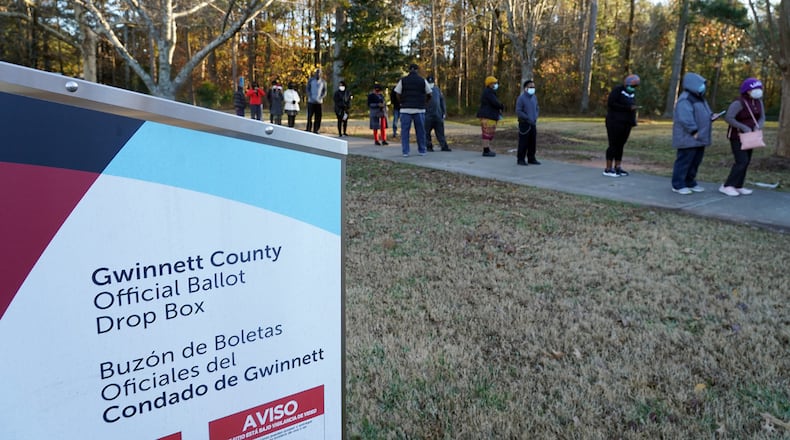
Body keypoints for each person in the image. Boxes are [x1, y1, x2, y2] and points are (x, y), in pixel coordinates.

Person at [719, 77, 765, 197]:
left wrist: (758, 126)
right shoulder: (738, 102)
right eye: (755, 89)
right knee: (741, 161)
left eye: (759, 88)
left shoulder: (758, 101)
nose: (758, 91)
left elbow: (762, 117)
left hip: (751, 136)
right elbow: (729, 118)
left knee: (746, 161)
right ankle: (727, 185)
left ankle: (738, 185)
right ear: (747, 90)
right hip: (737, 136)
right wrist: (743, 127)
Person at [671, 72, 715, 195]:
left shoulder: (700, 98)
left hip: (700, 137)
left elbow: (705, 112)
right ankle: (678, 184)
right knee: (685, 160)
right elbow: (685, 118)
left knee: (695, 161)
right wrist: (693, 131)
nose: (703, 87)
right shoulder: (685, 99)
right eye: (701, 84)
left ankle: (690, 181)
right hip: (688, 137)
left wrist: (711, 116)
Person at [603, 74, 639, 176]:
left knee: (621, 145)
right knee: (613, 144)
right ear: (626, 83)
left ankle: (618, 166)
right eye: (632, 85)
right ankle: (608, 168)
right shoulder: (618, 90)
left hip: (626, 123)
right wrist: (627, 108)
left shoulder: (631, 94)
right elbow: (611, 104)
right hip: (614, 121)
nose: (633, 88)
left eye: (635, 86)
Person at [394, 64, 432, 157]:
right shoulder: (422, 80)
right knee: (420, 131)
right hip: (419, 109)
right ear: (417, 70)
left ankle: (405, 151)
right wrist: (425, 102)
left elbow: (397, 93)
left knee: (405, 132)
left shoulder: (403, 80)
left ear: (409, 70)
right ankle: (422, 150)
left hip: (405, 109)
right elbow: (430, 93)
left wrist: (401, 102)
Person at [475, 76, 504, 157]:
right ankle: (486, 150)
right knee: (486, 133)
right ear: (490, 84)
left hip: (489, 115)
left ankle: (487, 148)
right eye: (494, 83)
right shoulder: (489, 92)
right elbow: (495, 103)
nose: (496, 85)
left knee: (488, 133)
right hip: (487, 115)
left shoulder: (489, 92)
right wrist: (501, 106)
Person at [515, 79, 540, 165]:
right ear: (525, 88)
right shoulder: (521, 98)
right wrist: (527, 118)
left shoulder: (534, 97)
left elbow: (537, 108)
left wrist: (535, 116)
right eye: (530, 87)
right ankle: (521, 159)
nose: (532, 88)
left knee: (532, 142)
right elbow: (518, 111)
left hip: (533, 123)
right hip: (524, 123)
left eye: (533, 87)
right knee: (523, 142)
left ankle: (531, 158)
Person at [425, 76, 451, 152]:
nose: (431, 84)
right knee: (426, 132)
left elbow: (442, 101)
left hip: (437, 114)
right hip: (427, 115)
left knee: (440, 131)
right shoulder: (424, 90)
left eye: (431, 83)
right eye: (429, 83)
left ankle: (444, 146)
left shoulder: (437, 90)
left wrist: (443, 112)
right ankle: (428, 146)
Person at [305, 68, 327, 133]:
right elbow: (307, 89)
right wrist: (310, 96)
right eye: (317, 73)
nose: (318, 75)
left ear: (321, 74)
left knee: (318, 117)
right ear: (315, 74)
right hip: (311, 101)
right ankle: (308, 128)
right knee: (309, 116)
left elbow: (324, 91)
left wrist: (321, 97)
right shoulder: (311, 80)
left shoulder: (323, 82)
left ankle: (316, 129)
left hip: (319, 102)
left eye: (319, 73)